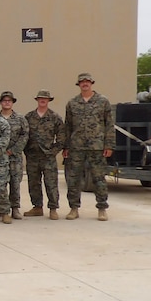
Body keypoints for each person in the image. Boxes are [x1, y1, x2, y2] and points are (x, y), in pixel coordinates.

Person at [63, 72, 115, 220]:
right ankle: (74, 208)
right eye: (82, 82)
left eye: (87, 81)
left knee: (99, 178)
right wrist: (66, 146)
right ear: (78, 84)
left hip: (96, 146)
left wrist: (109, 145)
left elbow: (109, 125)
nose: (85, 84)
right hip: (76, 146)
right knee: (73, 179)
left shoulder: (102, 101)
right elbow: (68, 126)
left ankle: (102, 208)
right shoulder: (72, 103)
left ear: (92, 83)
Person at [24, 90, 64, 219]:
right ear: (37, 100)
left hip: (48, 157)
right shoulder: (29, 117)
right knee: (33, 183)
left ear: (49, 100)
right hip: (32, 156)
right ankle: (37, 207)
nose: (43, 100)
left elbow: (62, 137)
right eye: (40, 98)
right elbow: (23, 136)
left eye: (45, 99)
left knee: (51, 183)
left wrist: (53, 152)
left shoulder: (55, 117)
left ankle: (53, 208)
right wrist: (26, 150)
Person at [0, 91, 29, 219]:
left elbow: (25, 135)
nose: (6, 102)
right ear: (0, 102)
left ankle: (15, 208)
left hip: (15, 157)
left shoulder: (20, 119)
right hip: (0, 157)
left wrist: (14, 150)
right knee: (0, 184)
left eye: (9, 100)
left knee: (15, 183)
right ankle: (1, 209)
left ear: (12, 102)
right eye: (4, 100)